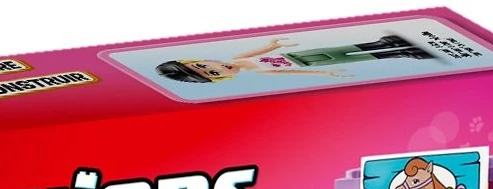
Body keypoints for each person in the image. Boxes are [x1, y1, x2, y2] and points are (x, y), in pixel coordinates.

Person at [155, 34, 433, 85]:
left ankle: (380, 44)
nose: (215, 68)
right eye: (212, 74)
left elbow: (259, 50)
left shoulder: (239, 57)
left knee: (344, 49)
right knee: (354, 59)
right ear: (222, 79)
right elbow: (292, 75)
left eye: (204, 66)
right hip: (308, 63)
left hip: (296, 55)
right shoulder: (260, 74)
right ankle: (398, 52)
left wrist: (274, 44)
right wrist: (325, 74)